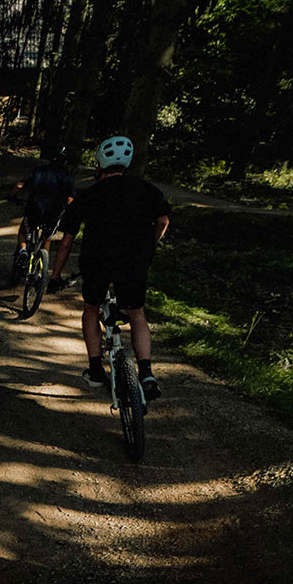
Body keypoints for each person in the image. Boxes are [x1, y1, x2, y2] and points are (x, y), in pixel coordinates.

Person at [47, 135, 170, 401]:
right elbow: (163, 220)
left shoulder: (88, 195)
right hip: (134, 262)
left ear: (100, 165)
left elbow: (66, 241)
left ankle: (94, 369)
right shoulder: (147, 189)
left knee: (90, 309)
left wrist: (55, 275)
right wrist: (149, 245)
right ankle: (146, 373)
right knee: (136, 313)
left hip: (97, 263)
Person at [9, 145, 75, 279]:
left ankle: (22, 251)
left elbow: (19, 185)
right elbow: (70, 198)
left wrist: (11, 196)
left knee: (23, 232)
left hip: (34, 209)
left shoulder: (38, 171)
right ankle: (40, 271)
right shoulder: (67, 176)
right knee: (47, 238)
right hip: (54, 213)